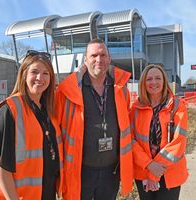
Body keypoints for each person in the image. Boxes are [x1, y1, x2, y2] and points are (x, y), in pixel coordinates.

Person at [56, 39, 133, 200]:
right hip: (80, 171)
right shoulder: (68, 91)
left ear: (109, 58)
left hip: (111, 171)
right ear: (85, 60)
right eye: (94, 55)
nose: (99, 60)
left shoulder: (121, 88)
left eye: (103, 55)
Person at [0, 50, 63, 200]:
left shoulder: (47, 112)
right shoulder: (9, 110)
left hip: (44, 193)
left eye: (46, 73)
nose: (40, 78)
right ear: (24, 74)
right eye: (35, 72)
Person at [130, 64, 188, 200]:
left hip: (169, 173)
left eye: (158, 78)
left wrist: (154, 173)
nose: (154, 82)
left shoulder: (178, 106)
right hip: (143, 171)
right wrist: (149, 165)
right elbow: (130, 140)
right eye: (149, 79)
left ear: (164, 82)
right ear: (144, 83)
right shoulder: (135, 108)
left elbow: (178, 143)